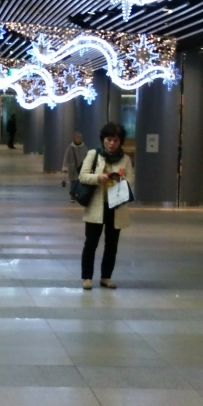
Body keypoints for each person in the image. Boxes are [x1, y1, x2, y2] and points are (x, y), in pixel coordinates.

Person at [78, 122, 135, 290]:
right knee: (91, 243)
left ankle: (106, 277)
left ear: (120, 141)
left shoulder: (125, 159)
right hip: (96, 204)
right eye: (109, 139)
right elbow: (83, 176)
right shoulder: (93, 154)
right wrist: (99, 177)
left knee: (112, 244)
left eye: (116, 140)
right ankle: (87, 277)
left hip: (115, 205)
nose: (112, 143)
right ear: (103, 139)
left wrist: (119, 179)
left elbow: (130, 181)